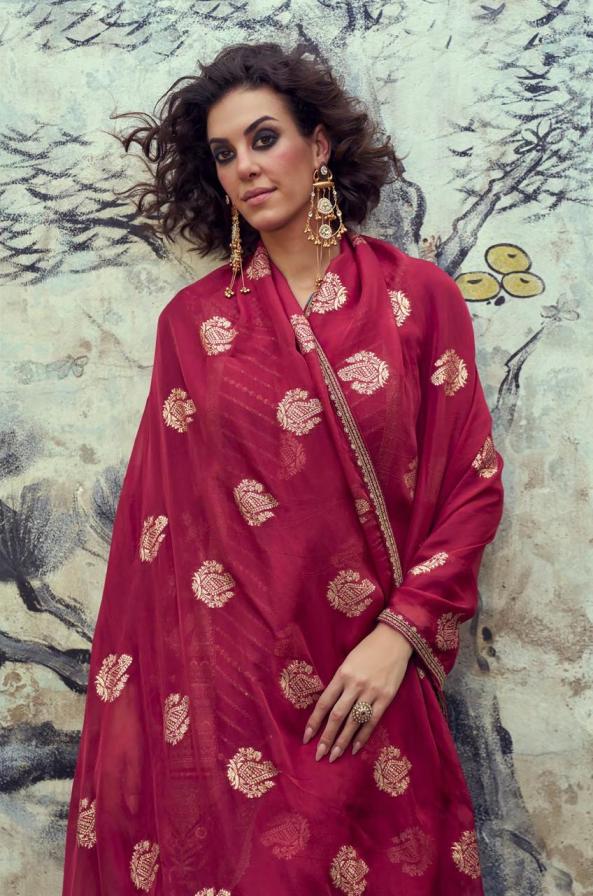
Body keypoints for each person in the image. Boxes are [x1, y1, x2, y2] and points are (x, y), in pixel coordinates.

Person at [61, 41, 504, 895]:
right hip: (232, 702)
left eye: (264, 138)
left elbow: (471, 485)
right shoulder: (193, 326)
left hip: (368, 682)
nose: (245, 167)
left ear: (319, 143)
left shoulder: (415, 300)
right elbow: (164, 541)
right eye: (224, 153)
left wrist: (398, 635)